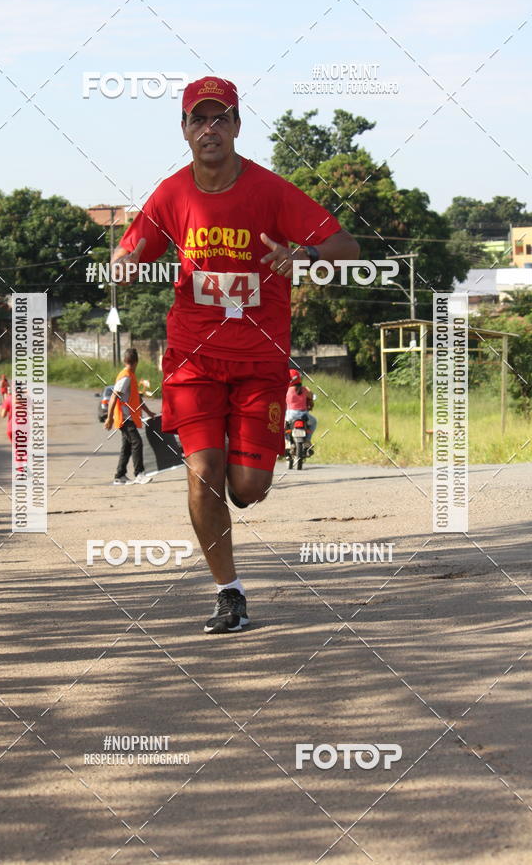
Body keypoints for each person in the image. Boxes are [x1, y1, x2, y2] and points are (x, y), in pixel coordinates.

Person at [112, 75, 359, 633]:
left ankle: (236, 476)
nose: (210, 129)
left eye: (220, 118)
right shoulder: (172, 193)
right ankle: (230, 592)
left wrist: (306, 253)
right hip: (193, 359)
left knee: (246, 487)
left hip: (260, 360)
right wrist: (123, 261)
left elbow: (347, 244)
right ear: (184, 130)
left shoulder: (271, 191)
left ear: (238, 127)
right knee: (202, 472)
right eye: (198, 119)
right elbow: (132, 246)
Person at [104, 348, 157, 485]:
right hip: (124, 418)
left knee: (127, 446)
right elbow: (113, 397)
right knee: (136, 442)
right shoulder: (126, 376)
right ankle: (139, 473)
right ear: (136, 362)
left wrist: (149, 412)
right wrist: (109, 418)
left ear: (124, 360)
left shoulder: (130, 376)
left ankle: (119, 475)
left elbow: (137, 399)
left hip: (129, 417)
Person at [285, 369, 316, 447]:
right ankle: (307, 440)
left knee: (282, 427)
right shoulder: (304, 389)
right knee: (314, 422)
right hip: (304, 415)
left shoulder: (286, 390)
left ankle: (287, 441)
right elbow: (312, 396)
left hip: (290, 415)